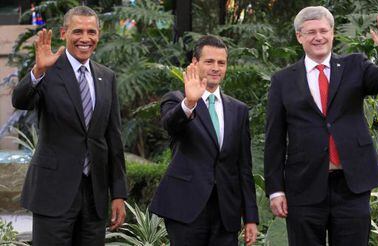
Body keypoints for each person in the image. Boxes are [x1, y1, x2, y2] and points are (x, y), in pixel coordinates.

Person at [264, 6, 378, 245]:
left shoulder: (355, 65)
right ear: (299, 36)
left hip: (352, 184)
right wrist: (276, 190)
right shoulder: (282, 80)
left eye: (323, 30)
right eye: (310, 32)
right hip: (304, 185)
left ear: (332, 32)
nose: (318, 37)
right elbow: (274, 139)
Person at [12, 6, 127, 246]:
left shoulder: (107, 77)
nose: (85, 38)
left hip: (94, 197)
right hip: (53, 193)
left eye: (91, 32)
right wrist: (38, 71)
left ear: (98, 35)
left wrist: (118, 193)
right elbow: (20, 101)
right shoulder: (48, 69)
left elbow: (113, 139)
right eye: (78, 31)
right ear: (64, 33)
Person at [149, 35, 259, 246]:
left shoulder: (238, 110)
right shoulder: (176, 99)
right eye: (209, 62)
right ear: (195, 63)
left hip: (226, 212)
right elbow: (170, 126)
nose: (216, 68)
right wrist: (190, 102)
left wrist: (251, 217)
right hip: (185, 209)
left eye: (221, 63)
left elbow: (244, 167)